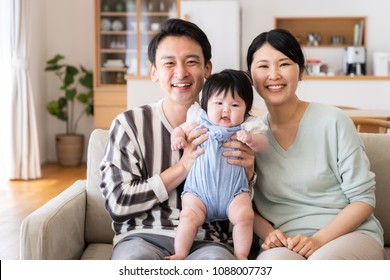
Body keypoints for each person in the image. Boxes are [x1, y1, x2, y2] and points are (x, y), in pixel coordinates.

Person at [99, 18, 256, 260]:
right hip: (142, 237)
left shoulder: (236, 128)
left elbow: (242, 213)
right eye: (169, 63)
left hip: (208, 242)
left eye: (191, 62)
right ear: (154, 72)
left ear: (207, 69)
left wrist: (248, 174)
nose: (181, 72)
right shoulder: (129, 125)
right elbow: (119, 204)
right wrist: (183, 166)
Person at [246, 28, 385, 260]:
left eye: (284, 64)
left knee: (323, 264)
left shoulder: (333, 120)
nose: (274, 74)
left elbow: (363, 200)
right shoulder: (250, 135)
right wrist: (269, 234)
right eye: (263, 66)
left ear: (300, 71)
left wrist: (318, 240)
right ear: (250, 76)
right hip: (285, 242)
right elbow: (240, 202)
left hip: (348, 234)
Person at [167, 69, 268, 260]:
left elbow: (264, 143)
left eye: (235, 104)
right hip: (198, 193)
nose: (226, 110)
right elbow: (179, 129)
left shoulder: (247, 125)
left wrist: (252, 139)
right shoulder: (199, 119)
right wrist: (178, 138)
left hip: (234, 193)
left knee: (245, 216)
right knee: (188, 216)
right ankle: (180, 252)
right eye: (219, 103)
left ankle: (241, 255)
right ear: (206, 104)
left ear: (246, 109)